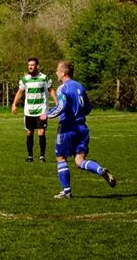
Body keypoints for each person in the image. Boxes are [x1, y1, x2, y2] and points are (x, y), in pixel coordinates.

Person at [41, 60, 117, 199]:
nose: (56, 73)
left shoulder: (62, 88)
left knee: (61, 157)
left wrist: (48, 115)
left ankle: (66, 191)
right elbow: (88, 108)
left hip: (67, 128)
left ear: (63, 73)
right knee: (79, 161)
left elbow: (61, 106)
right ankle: (99, 169)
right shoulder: (80, 87)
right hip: (82, 128)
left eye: (58, 70)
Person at [10, 57, 57, 162]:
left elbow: (51, 90)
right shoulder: (24, 79)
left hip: (42, 110)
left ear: (37, 66)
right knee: (29, 133)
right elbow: (20, 92)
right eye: (29, 65)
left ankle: (42, 156)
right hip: (29, 111)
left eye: (32, 65)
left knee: (41, 133)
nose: (30, 67)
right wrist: (14, 104)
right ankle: (30, 156)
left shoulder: (44, 78)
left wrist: (57, 102)